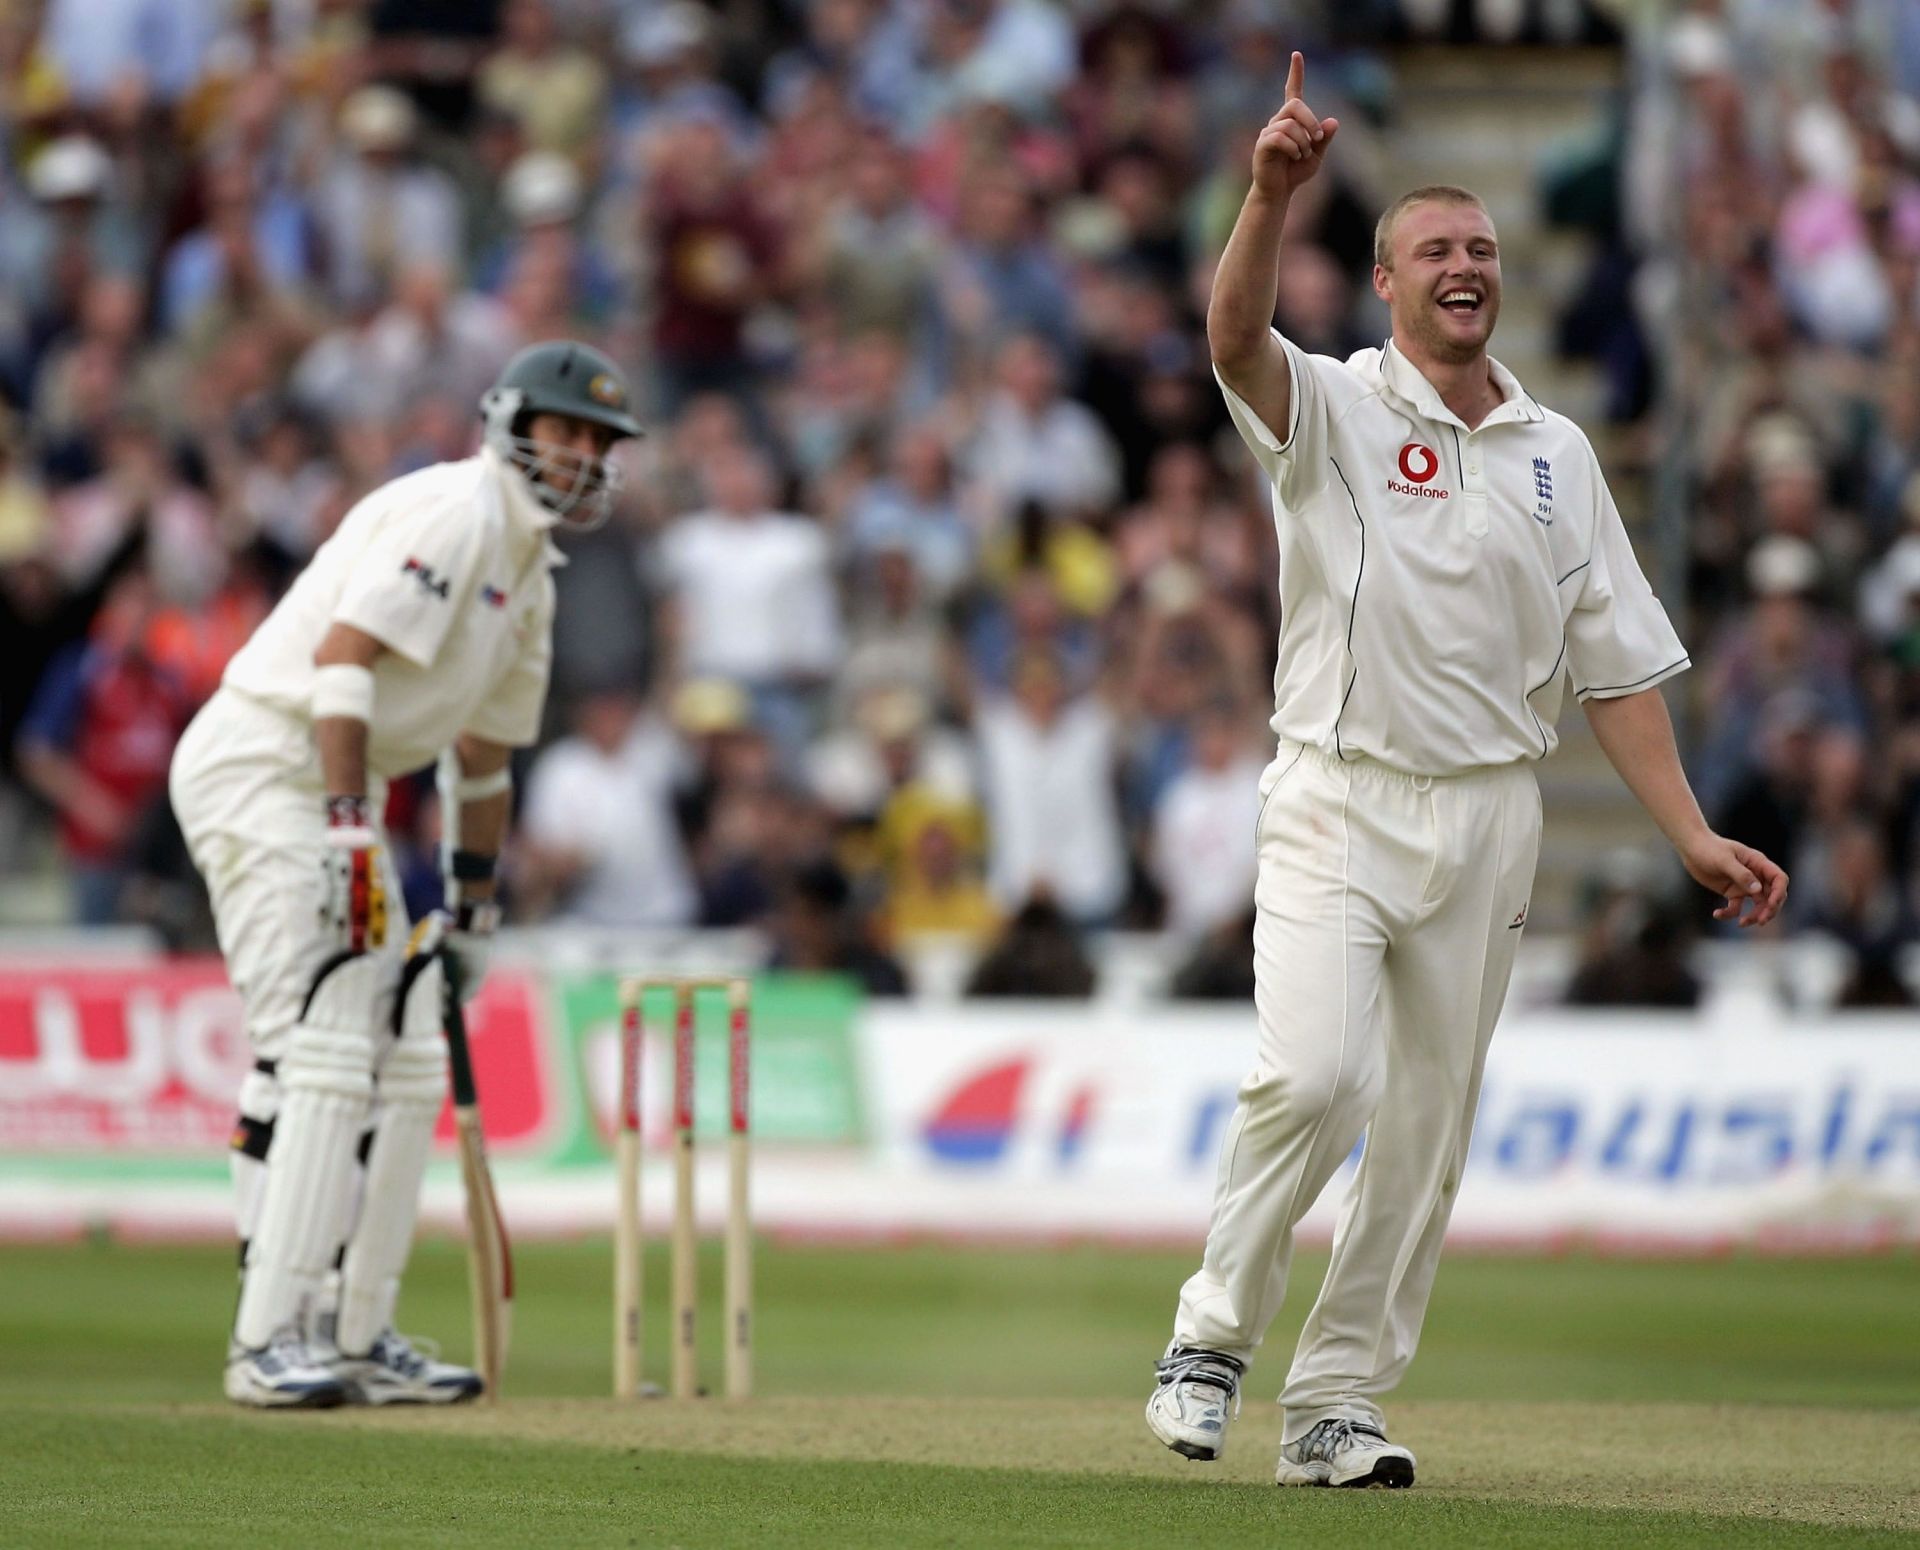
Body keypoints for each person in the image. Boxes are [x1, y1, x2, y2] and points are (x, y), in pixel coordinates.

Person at [1143, 54, 1789, 1490]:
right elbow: (1232, 337)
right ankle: (1209, 1336)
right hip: (1337, 788)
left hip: (1490, 811)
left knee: (1428, 1127)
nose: (1465, 267)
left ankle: (1336, 1402)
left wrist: (1687, 831)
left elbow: (1614, 666)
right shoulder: (1337, 406)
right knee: (1308, 1076)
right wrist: (1266, 196)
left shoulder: (1558, 453)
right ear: (1383, 282)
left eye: (1483, 251)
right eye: (1434, 249)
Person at [168, 340, 643, 1408]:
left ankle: (358, 1327)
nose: (581, 457)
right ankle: (268, 1338)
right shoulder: (457, 512)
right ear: (512, 425)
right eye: (565, 432)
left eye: (598, 443)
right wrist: (347, 828)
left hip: (339, 792)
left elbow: (480, 759)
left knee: (411, 1048)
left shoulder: (531, 574)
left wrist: (472, 905)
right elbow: (342, 658)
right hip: (269, 766)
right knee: (325, 1044)